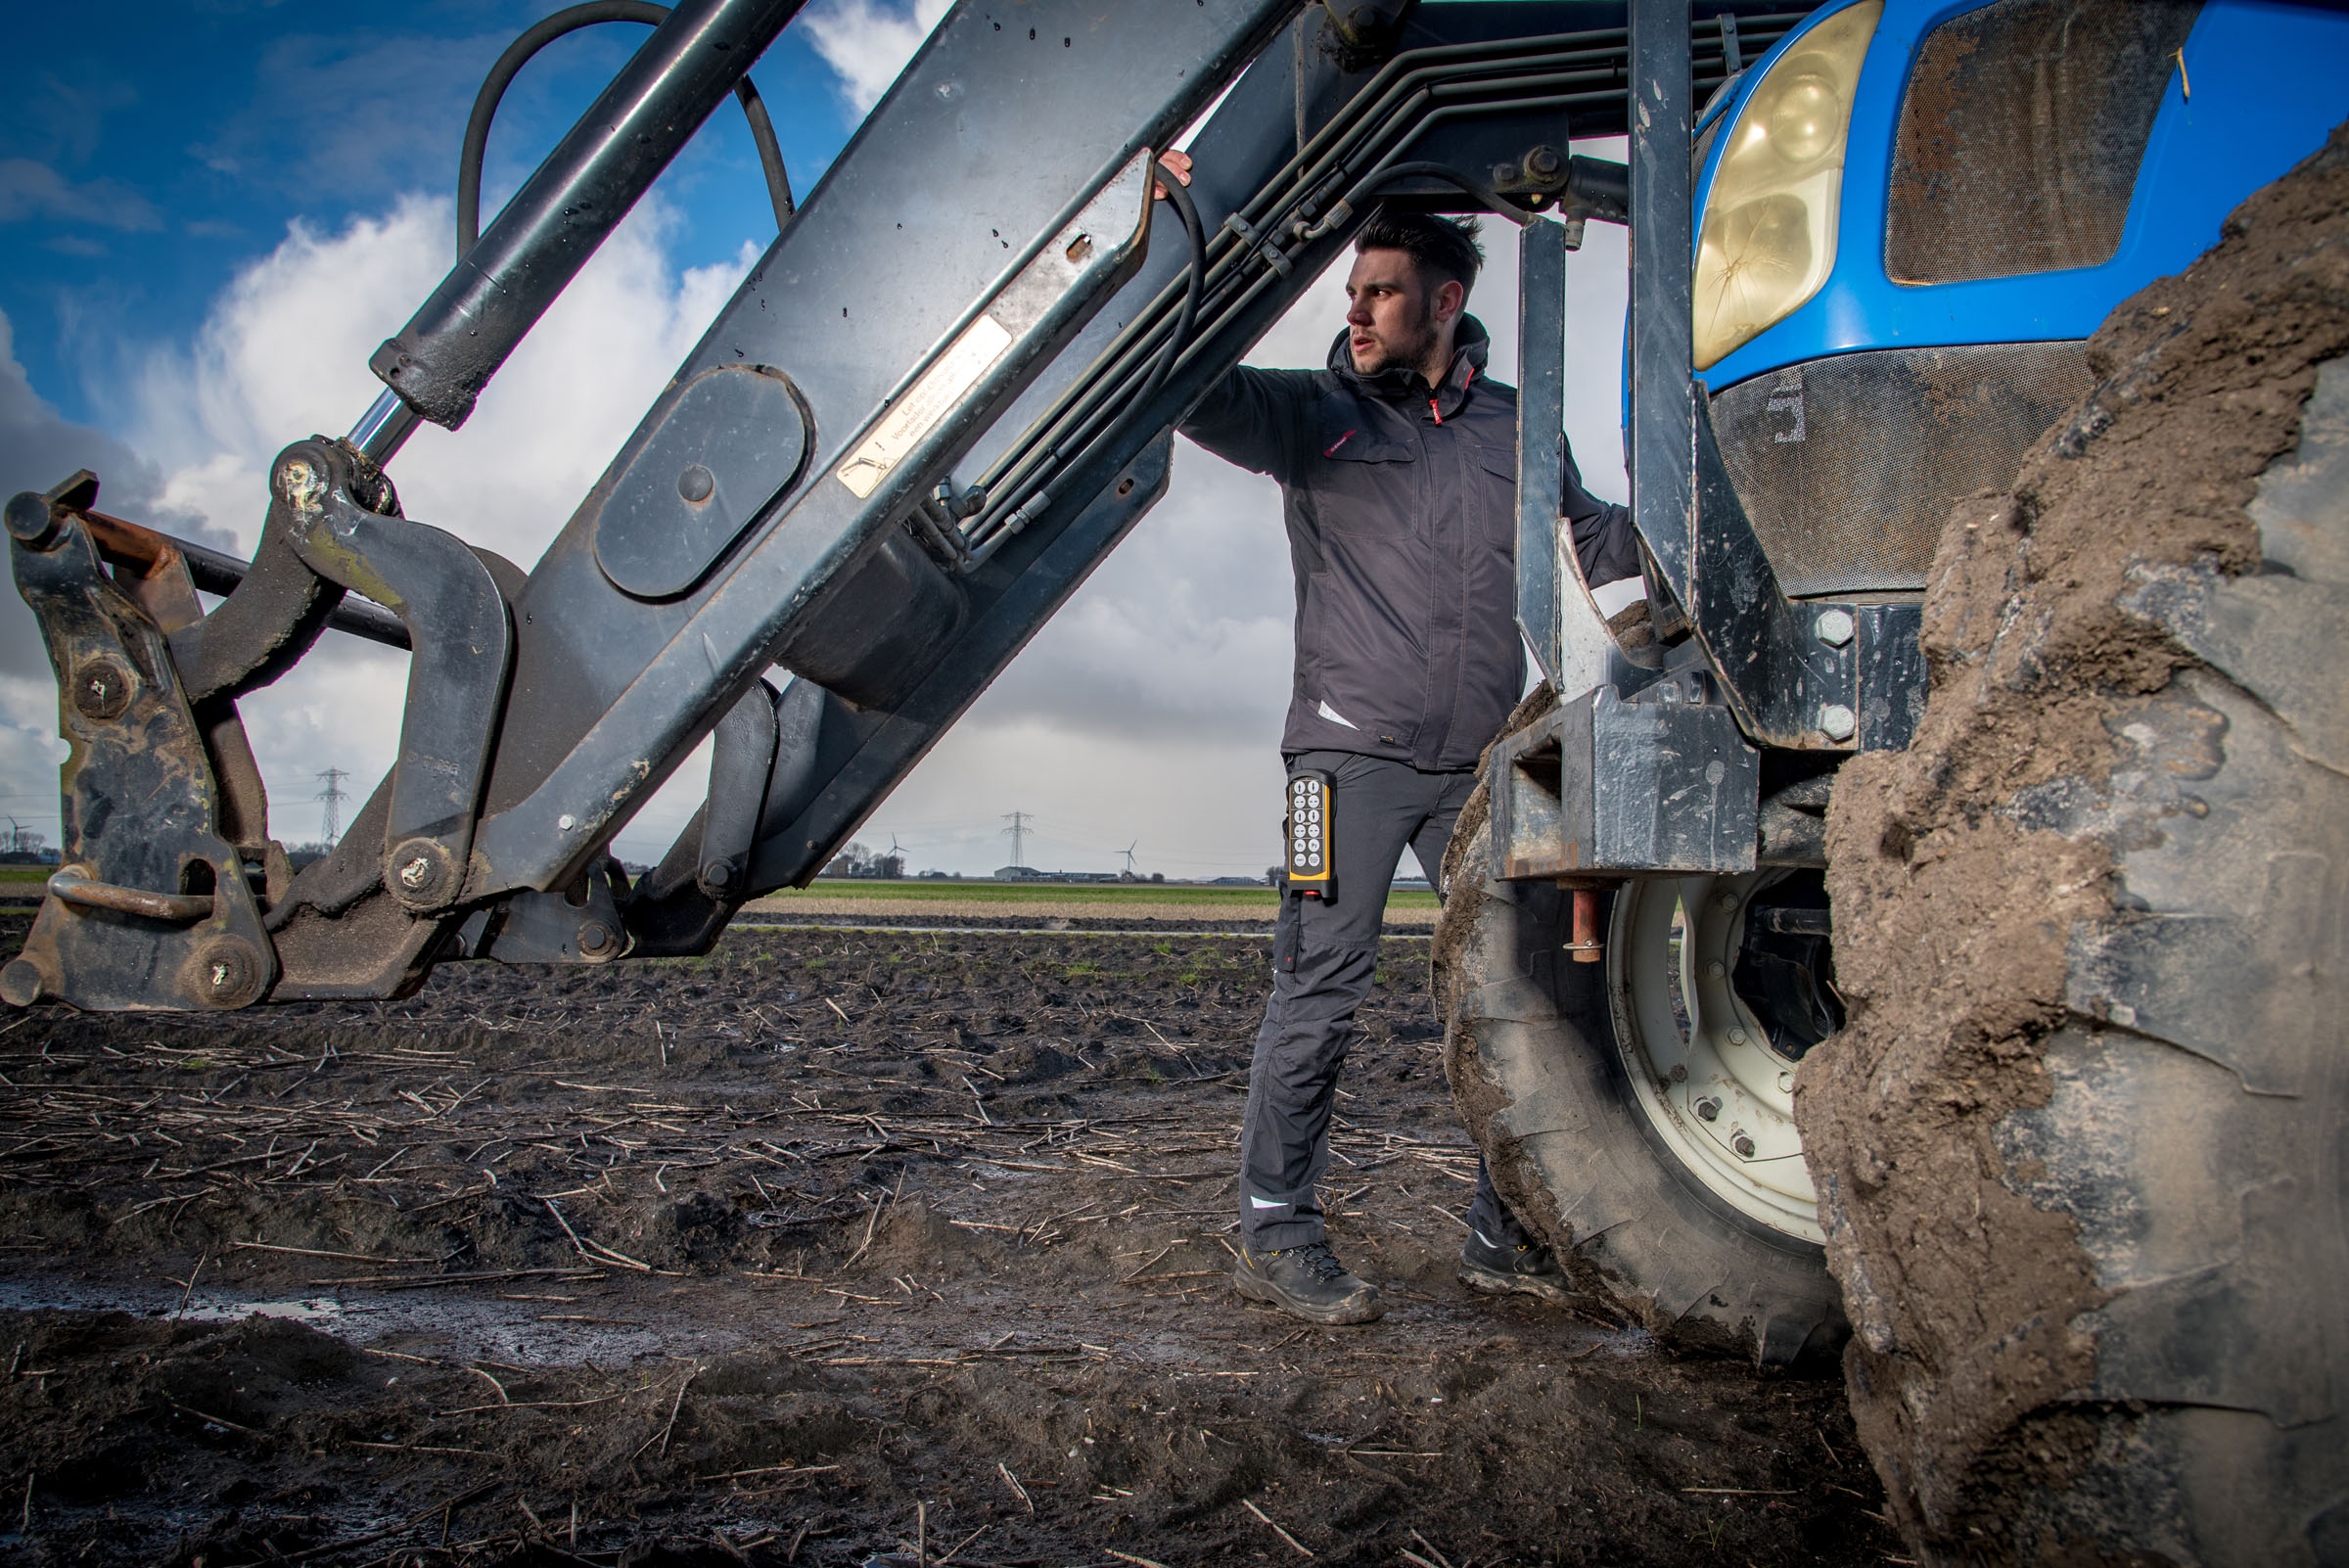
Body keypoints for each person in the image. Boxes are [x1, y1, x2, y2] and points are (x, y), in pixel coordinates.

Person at [1174, 190, 1643, 1325]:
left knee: (1538, 986)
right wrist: (1187, 237)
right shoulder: (1314, 416)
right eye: (1352, 290)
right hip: (1341, 764)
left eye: (1381, 290)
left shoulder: (1518, 431)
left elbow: (1595, 542)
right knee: (1320, 990)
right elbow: (1188, 387)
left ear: (1447, 301)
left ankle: (1505, 1230)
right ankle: (1278, 1227)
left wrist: (1706, 521)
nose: (1360, 309)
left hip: (1484, 768)